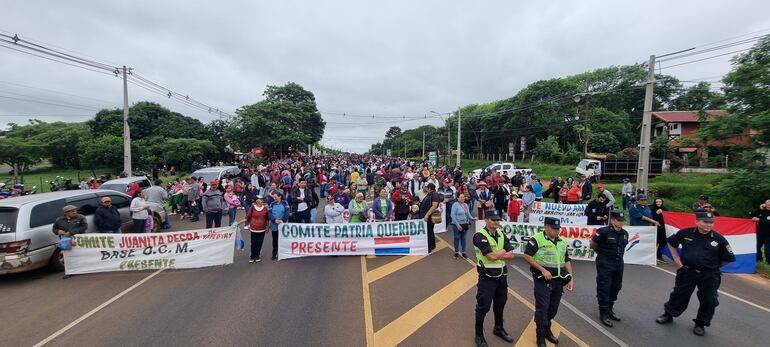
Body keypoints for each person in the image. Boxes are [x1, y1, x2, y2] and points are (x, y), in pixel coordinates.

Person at [656, 212, 736, 337]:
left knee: (709, 300)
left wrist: (713, 267)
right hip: (687, 271)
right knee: (679, 294)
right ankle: (669, 314)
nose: (709, 225)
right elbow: (671, 242)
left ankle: (701, 323)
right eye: (705, 222)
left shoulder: (719, 239)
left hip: (709, 275)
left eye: (711, 222)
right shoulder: (686, 233)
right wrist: (677, 259)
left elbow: (728, 258)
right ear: (697, 222)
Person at [523, 217, 574, 347]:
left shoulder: (561, 242)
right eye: (554, 228)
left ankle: (546, 329)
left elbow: (566, 260)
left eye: (558, 228)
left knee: (553, 308)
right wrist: (542, 270)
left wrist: (571, 278)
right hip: (542, 280)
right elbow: (527, 256)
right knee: (542, 308)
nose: (557, 231)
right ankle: (540, 337)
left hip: (558, 281)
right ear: (546, 227)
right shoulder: (537, 239)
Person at [472, 210, 515, 347]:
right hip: (487, 278)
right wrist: (503, 250)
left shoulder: (501, 234)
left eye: (498, 220)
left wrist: (498, 253)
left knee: (500, 304)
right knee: (483, 307)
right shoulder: (480, 236)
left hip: (502, 277)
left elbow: (512, 255)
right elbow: (491, 257)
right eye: (493, 220)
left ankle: (498, 328)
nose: (496, 222)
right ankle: (479, 335)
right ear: (486, 220)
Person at [591, 211, 628, 327]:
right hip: (605, 262)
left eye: (622, 220)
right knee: (604, 286)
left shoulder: (625, 233)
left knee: (616, 286)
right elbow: (593, 245)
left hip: (618, 263)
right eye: (618, 220)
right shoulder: (603, 231)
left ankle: (610, 308)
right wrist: (601, 255)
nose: (621, 222)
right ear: (612, 220)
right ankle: (603, 312)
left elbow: (623, 247)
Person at [243, 196, 269, 263]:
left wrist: (267, 227)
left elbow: (267, 218)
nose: (260, 200)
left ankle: (257, 255)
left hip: (262, 228)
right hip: (253, 228)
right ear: (256, 200)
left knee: (260, 242)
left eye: (261, 199)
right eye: (259, 199)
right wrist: (239, 223)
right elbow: (248, 217)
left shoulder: (265, 208)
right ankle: (252, 256)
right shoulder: (252, 208)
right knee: (253, 243)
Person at [450, 193, 475, 259]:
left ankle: (464, 252)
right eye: (461, 197)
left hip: (465, 224)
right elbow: (452, 215)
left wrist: (472, 218)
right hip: (456, 224)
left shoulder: (465, 205)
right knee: (457, 238)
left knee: (463, 238)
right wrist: (458, 225)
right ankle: (456, 252)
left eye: (463, 197)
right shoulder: (455, 205)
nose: (463, 198)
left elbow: (468, 214)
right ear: (457, 198)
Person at [419, 183, 441, 253]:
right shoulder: (431, 194)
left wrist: (427, 215)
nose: (425, 189)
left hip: (429, 216)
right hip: (427, 215)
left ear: (429, 188)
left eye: (426, 188)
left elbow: (434, 206)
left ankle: (429, 248)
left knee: (429, 231)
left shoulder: (434, 195)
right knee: (430, 230)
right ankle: (432, 245)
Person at [268, 192, 289, 260]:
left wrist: (283, 220)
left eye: (275, 197)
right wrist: (274, 220)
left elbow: (287, 212)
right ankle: (274, 254)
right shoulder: (272, 204)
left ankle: (284, 253)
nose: (274, 198)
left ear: (280, 196)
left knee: (284, 239)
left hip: (283, 225)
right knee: (275, 240)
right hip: (274, 225)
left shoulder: (285, 203)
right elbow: (270, 213)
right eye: (273, 197)